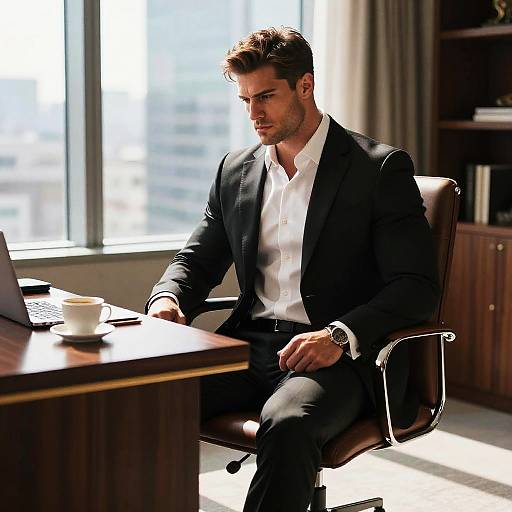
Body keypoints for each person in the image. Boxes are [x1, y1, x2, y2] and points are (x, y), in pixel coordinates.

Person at [146, 26, 439, 512]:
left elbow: (416, 287)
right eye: (245, 100)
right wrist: (167, 299)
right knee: (143, 397)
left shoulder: (378, 170)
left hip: (338, 357)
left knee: (287, 424)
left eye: (265, 97)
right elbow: (196, 260)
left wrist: (340, 335)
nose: (254, 114)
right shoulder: (235, 170)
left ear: (306, 85)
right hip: (250, 343)